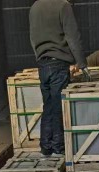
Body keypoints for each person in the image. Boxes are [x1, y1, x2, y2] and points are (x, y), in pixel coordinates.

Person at [29, 0, 89, 156]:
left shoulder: (35, 7)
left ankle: (45, 146)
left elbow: (33, 37)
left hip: (42, 64)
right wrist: (82, 63)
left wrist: (40, 57)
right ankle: (59, 147)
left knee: (48, 106)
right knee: (58, 107)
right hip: (59, 64)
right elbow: (73, 36)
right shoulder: (63, 5)